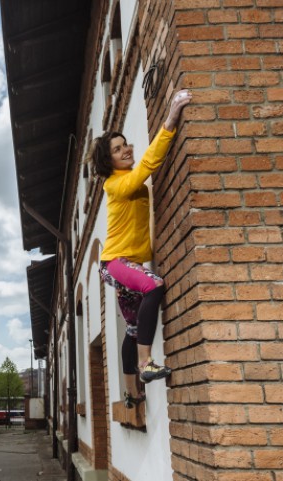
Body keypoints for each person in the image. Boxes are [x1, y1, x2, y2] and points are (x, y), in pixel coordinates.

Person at [91, 89, 192, 402]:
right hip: (116, 263)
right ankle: (145, 363)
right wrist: (171, 120)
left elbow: (142, 166)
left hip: (128, 263)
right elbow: (149, 164)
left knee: (133, 328)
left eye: (125, 145)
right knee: (154, 286)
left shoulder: (125, 179)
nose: (126, 150)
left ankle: (131, 394)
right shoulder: (116, 184)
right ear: (108, 160)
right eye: (118, 149)